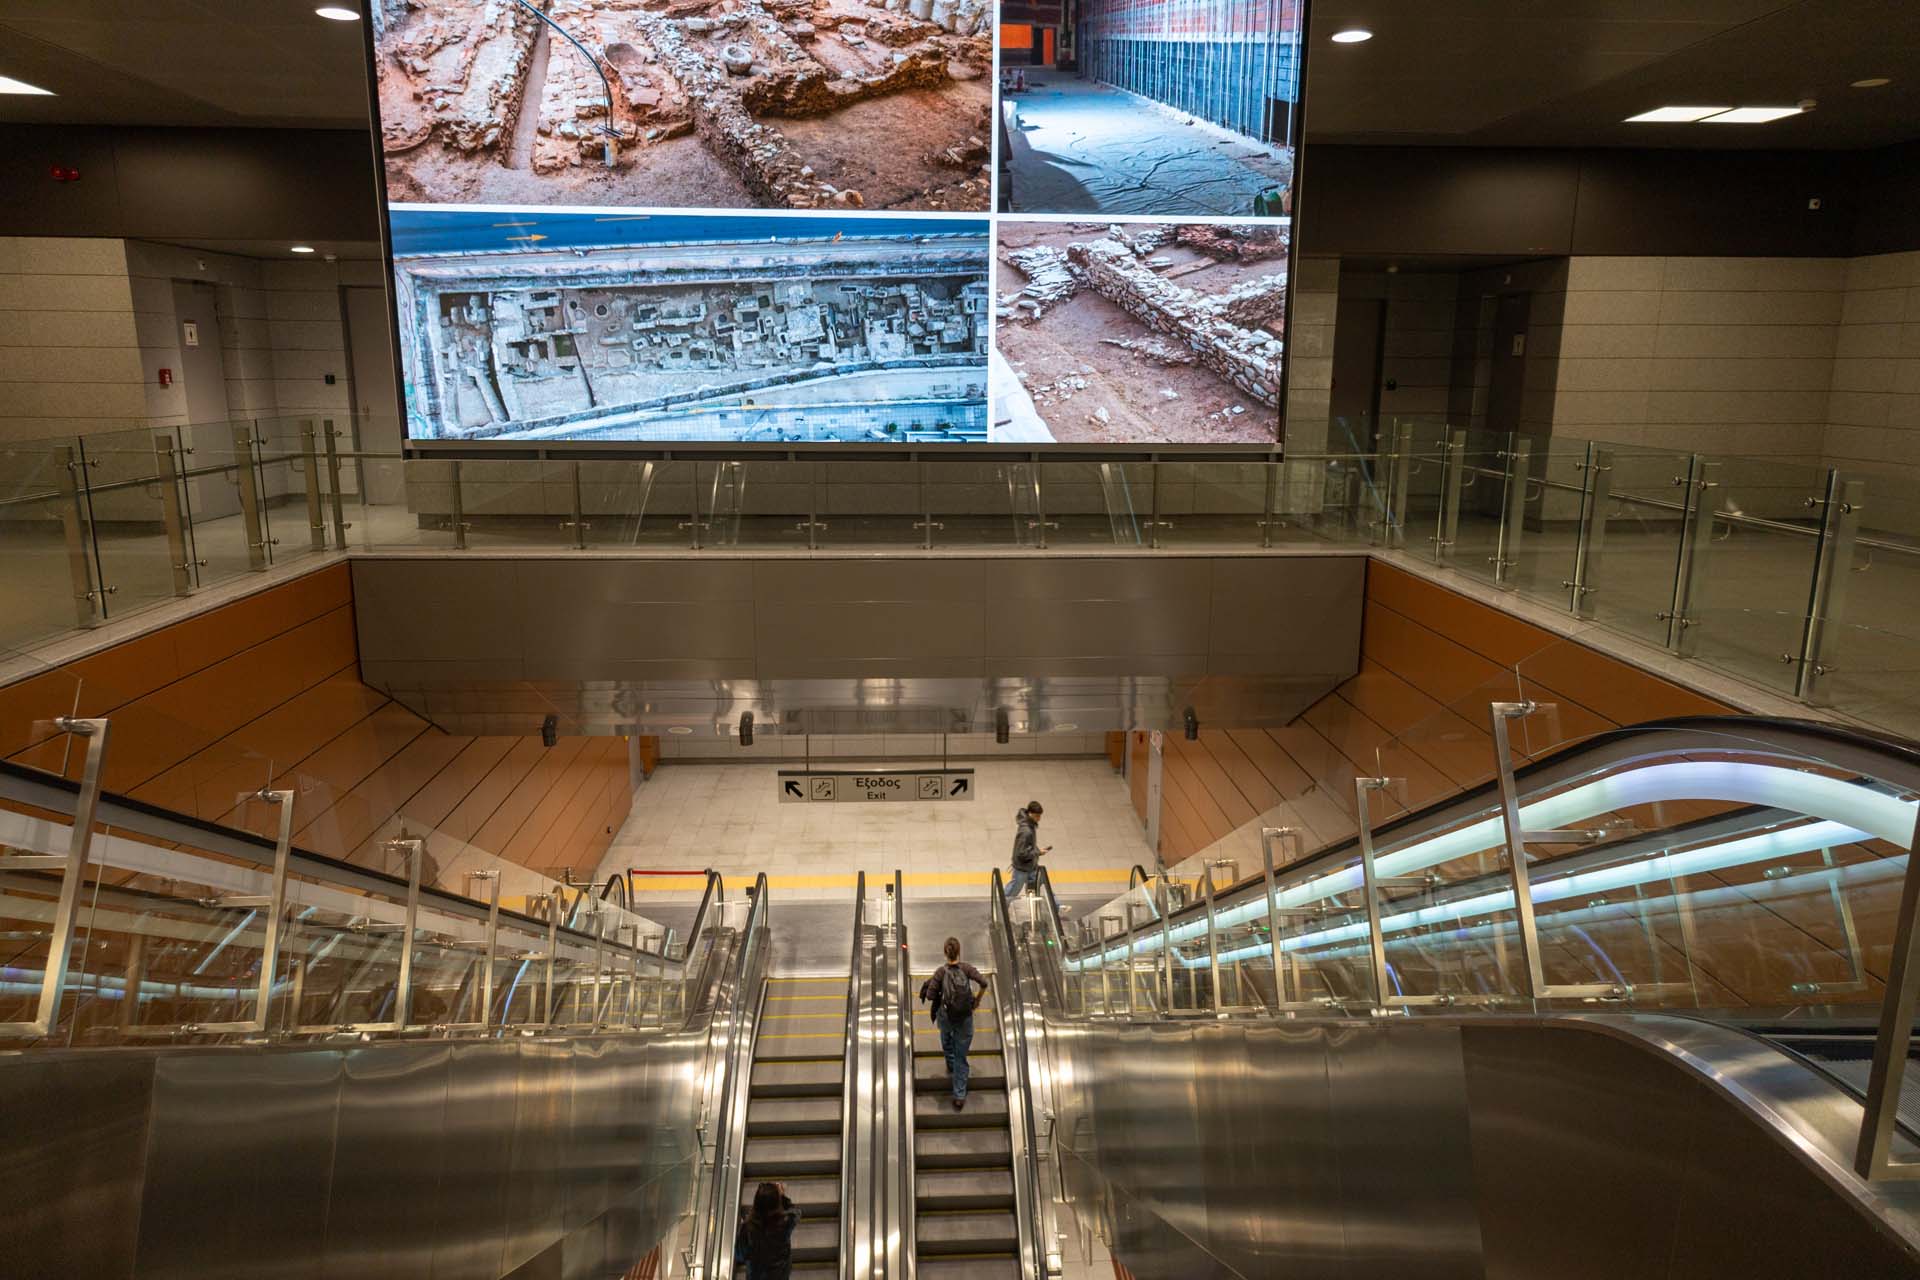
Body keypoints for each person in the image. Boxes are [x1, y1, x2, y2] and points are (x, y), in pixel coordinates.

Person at [918, 936, 990, 1111]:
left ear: (945, 953)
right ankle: (959, 1095)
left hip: (946, 1017)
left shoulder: (940, 972)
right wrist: (977, 1001)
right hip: (964, 1018)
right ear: (959, 952)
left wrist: (937, 987)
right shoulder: (967, 969)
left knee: (946, 1039)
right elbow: (984, 983)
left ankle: (950, 1063)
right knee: (961, 1056)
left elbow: (930, 996)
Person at [735, 1180, 800, 1280]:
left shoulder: (748, 1228)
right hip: (780, 1274)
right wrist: (783, 1197)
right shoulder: (785, 1223)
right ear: (777, 1203)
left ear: (756, 1203)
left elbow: (739, 1255)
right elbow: (796, 1212)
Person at [1005, 800, 1050, 900]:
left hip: (1031, 866)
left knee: (1042, 885)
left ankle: (1056, 905)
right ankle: (1000, 906)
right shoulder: (1026, 831)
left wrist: (1038, 850)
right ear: (1030, 813)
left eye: (1040, 816)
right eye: (1037, 816)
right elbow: (1021, 853)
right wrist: (1038, 852)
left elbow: (1029, 845)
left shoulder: (1030, 825)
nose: (1039, 819)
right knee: (1012, 892)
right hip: (1022, 868)